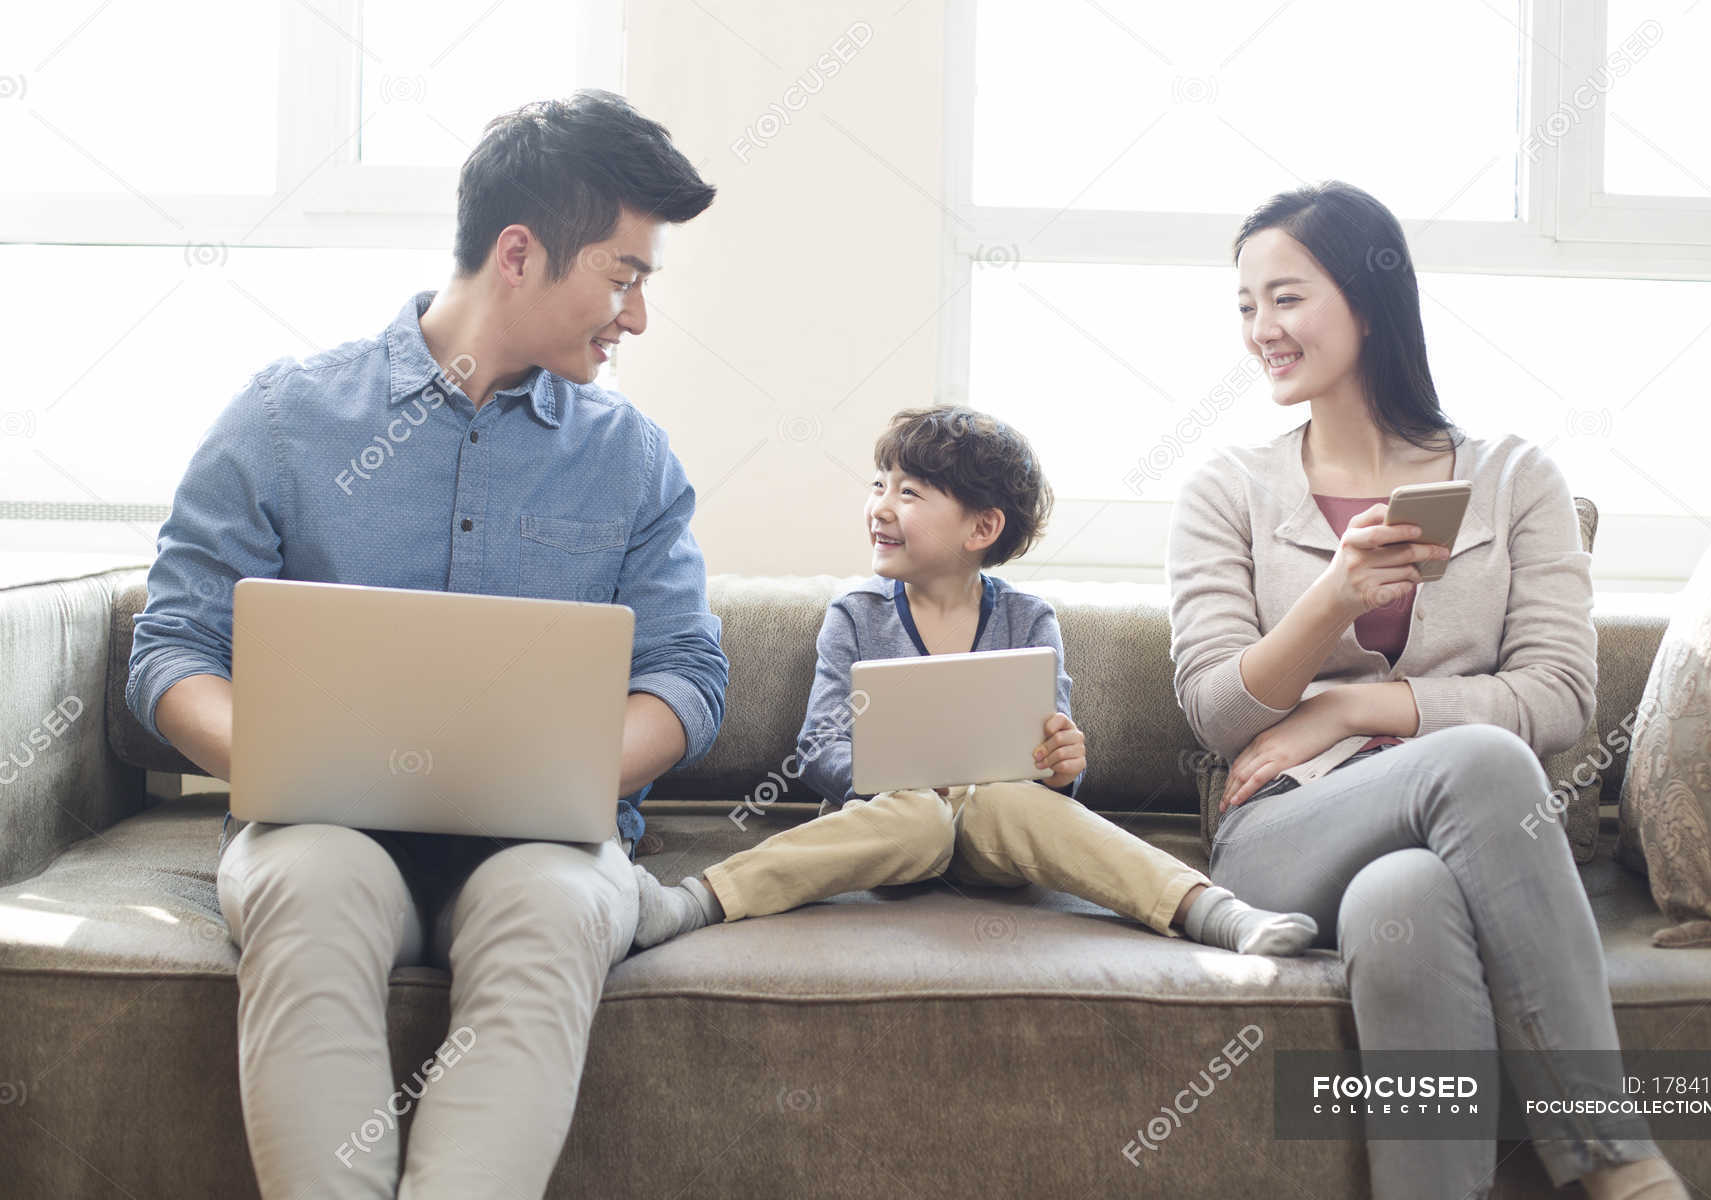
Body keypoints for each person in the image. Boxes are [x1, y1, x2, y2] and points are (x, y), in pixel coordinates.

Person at [124, 91, 728, 1199]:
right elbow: (171, 646)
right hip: (328, 833)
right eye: (625, 275)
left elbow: (687, 679)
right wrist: (277, 755)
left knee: (551, 904)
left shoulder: (631, 458)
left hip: (545, 850)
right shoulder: (284, 420)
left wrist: (553, 776)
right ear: (518, 252)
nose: (635, 316)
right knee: (307, 883)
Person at [1168, 180, 1687, 1199]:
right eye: (1244, 305)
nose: (1260, 330)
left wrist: (1355, 704)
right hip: (1286, 828)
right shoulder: (1226, 489)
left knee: (1403, 900)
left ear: (1370, 298)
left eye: (1285, 298)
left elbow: (1561, 695)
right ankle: (1620, 1164)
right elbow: (1215, 712)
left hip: (1480, 838)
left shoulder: (1513, 478)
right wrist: (1330, 599)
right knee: (1485, 759)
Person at [632, 405, 1316, 957]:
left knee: (1010, 806)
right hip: (897, 823)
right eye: (879, 484)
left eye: (910, 492)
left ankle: (1215, 914)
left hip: (999, 827)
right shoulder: (856, 615)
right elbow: (817, 747)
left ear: (981, 527)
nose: (881, 505)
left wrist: (1060, 765)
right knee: (918, 815)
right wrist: (884, 778)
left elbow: (1051, 763)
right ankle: (695, 901)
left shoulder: (1028, 618)